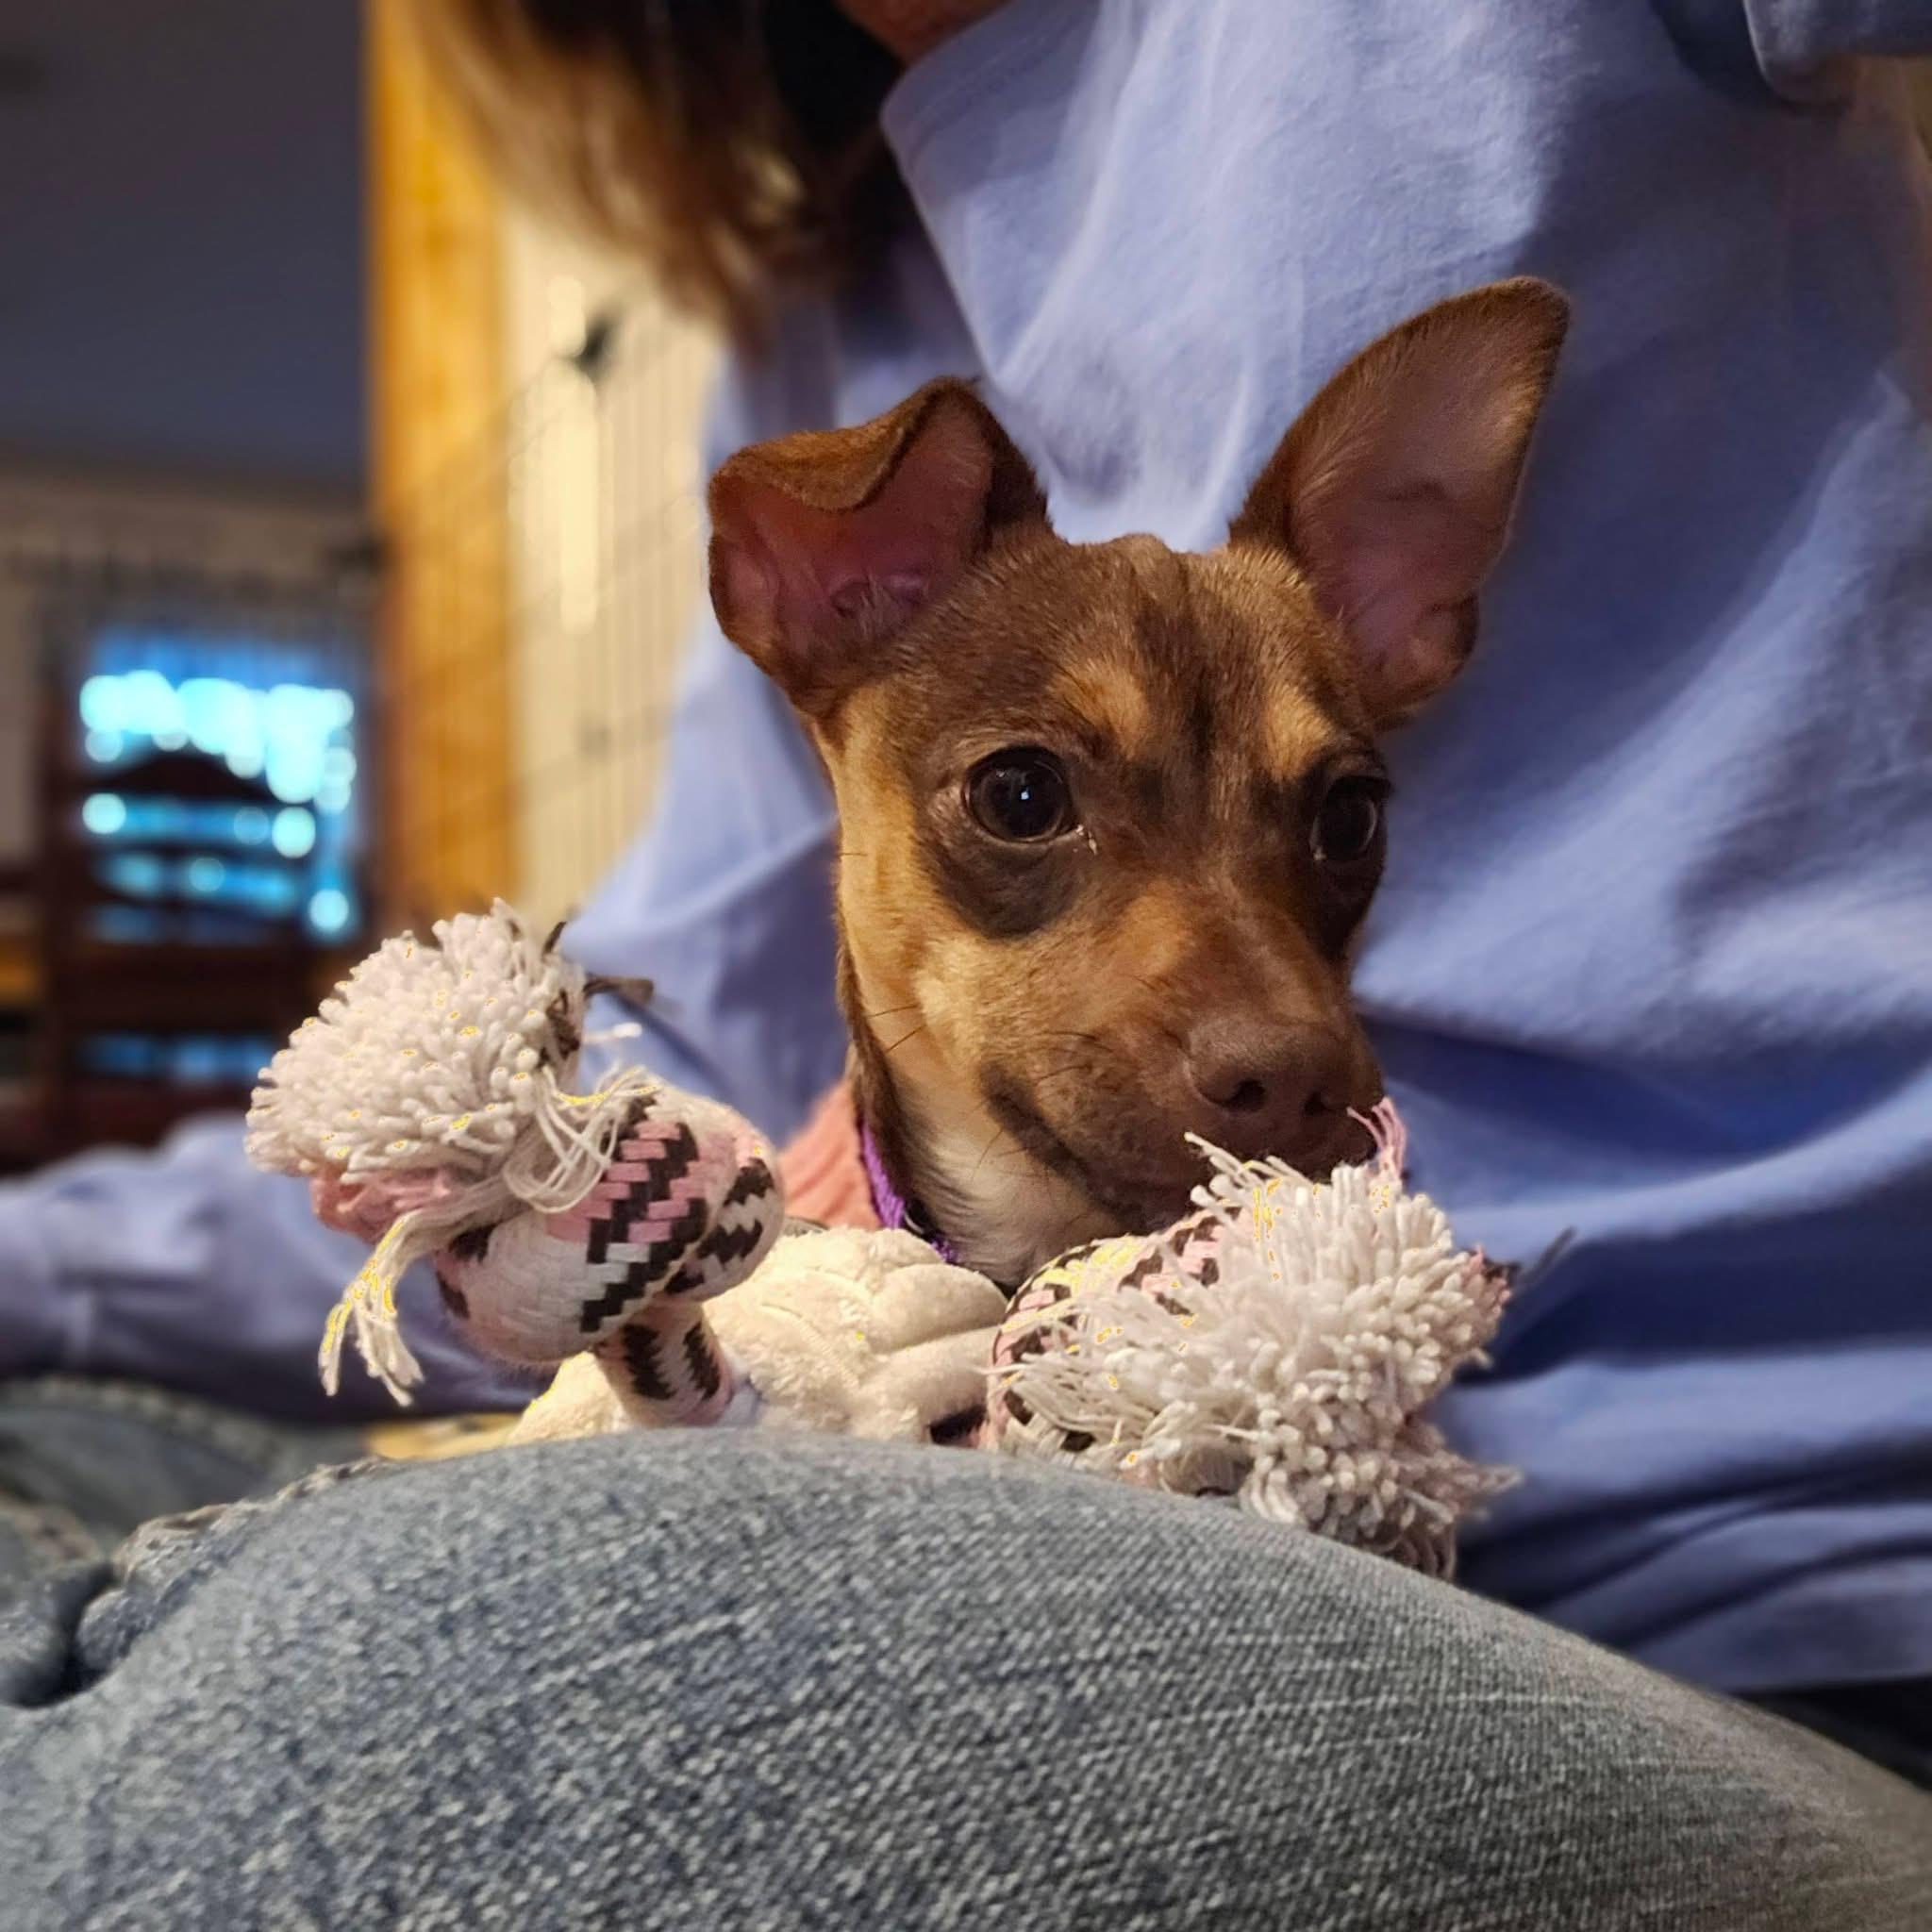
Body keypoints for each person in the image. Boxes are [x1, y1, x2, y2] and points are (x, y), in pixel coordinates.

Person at [3, 3, 1929, 1921]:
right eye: (1026, 799)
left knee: (263, 1762)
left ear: (1406, 611)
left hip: (1765, 1612)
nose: (1273, 1019)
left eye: (1329, 825)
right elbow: (637, 1106)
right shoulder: (831, 294)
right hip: (935, 1414)